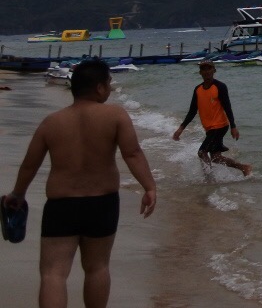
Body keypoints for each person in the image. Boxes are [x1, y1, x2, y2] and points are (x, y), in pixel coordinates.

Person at [2, 58, 158, 308]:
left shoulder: (51, 122)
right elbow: (133, 153)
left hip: (61, 205)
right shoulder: (115, 115)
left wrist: (18, 194)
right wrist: (149, 187)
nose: (110, 87)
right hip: (102, 203)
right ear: (99, 88)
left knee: (54, 273)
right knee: (97, 268)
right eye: (108, 82)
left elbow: (30, 165)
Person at [171, 61, 252, 178]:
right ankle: (244, 167)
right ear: (200, 73)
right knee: (215, 158)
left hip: (220, 126)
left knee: (201, 152)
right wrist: (180, 129)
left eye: (209, 69)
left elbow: (227, 107)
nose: (206, 71)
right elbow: (192, 111)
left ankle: (209, 179)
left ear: (214, 70)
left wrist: (233, 126)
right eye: (204, 69)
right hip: (209, 128)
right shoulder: (198, 89)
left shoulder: (220, 86)